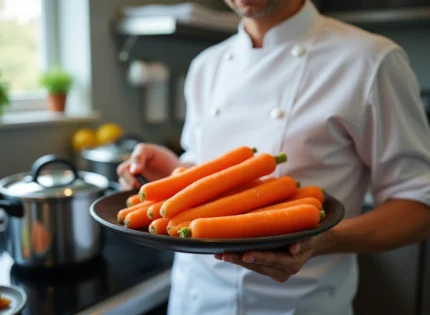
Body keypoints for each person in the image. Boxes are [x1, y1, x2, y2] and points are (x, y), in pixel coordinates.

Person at [117, 0, 430, 314]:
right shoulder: (206, 66)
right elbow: (208, 173)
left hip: (299, 305)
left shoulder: (371, 60)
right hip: (194, 299)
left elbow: (419, 206)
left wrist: (324, 239)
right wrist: (174, 173)